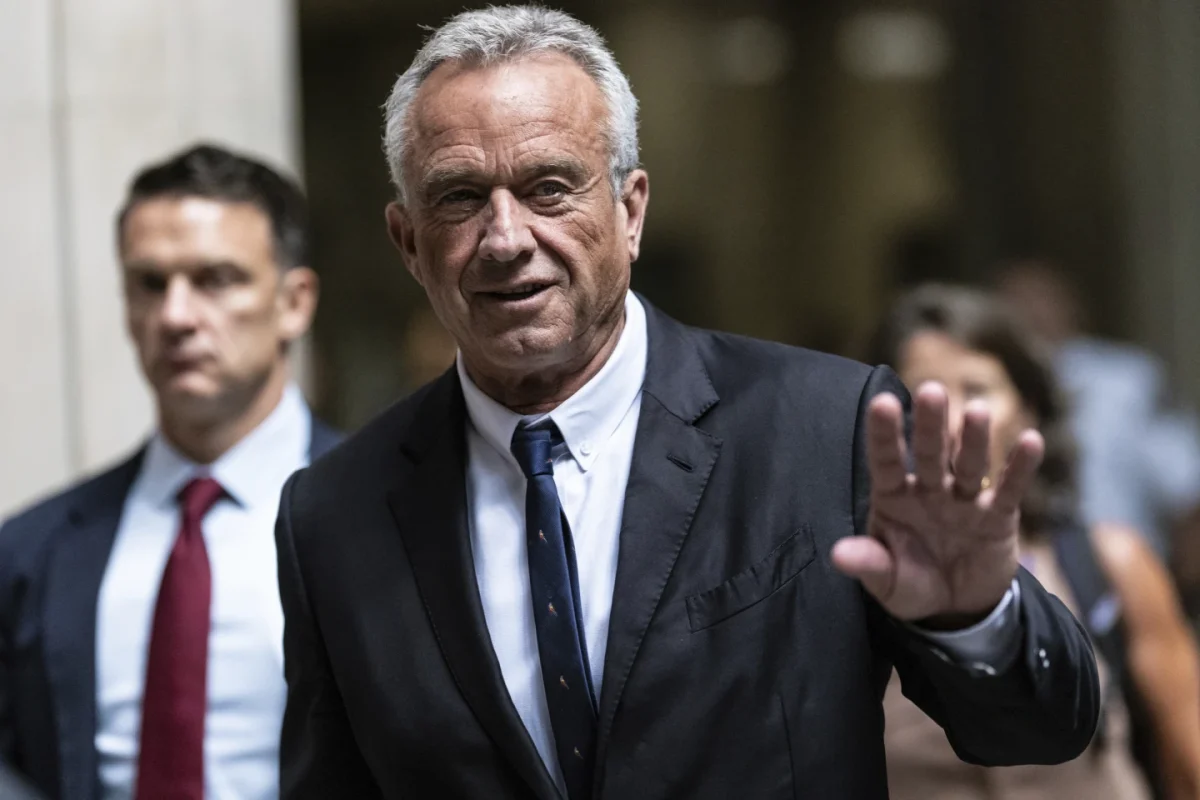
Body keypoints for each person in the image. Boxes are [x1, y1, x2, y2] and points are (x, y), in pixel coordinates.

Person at [274, 7, 1100, 799]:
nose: (505, 237)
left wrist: (974, 616)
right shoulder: (335, 516)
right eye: (458, 197)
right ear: (408, 242)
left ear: (630, 211)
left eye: (548, 187)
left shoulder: (820, 431)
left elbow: (1036, 735)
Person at [0, 143, 340, 800]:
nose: (176, 316)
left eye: (215, 279)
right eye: (150, 284)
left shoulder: (392, 516)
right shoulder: (32, 553)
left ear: (293, 303)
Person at [871, 284, 1200, 800]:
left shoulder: (1106, 563)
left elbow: (1187, 746)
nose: (956, 418)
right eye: (924, 395)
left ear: (1027, 410)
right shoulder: (856, 584)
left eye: (976, 390)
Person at [996, 259, 1200, 559]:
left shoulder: (1126, 378)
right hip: (1031, 573)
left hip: (1130, 568)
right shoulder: (990, 385)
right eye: (1014, 303)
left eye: (1041, 300)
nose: (1030, 313)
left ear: (1071, 306)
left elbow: (1185, 484)